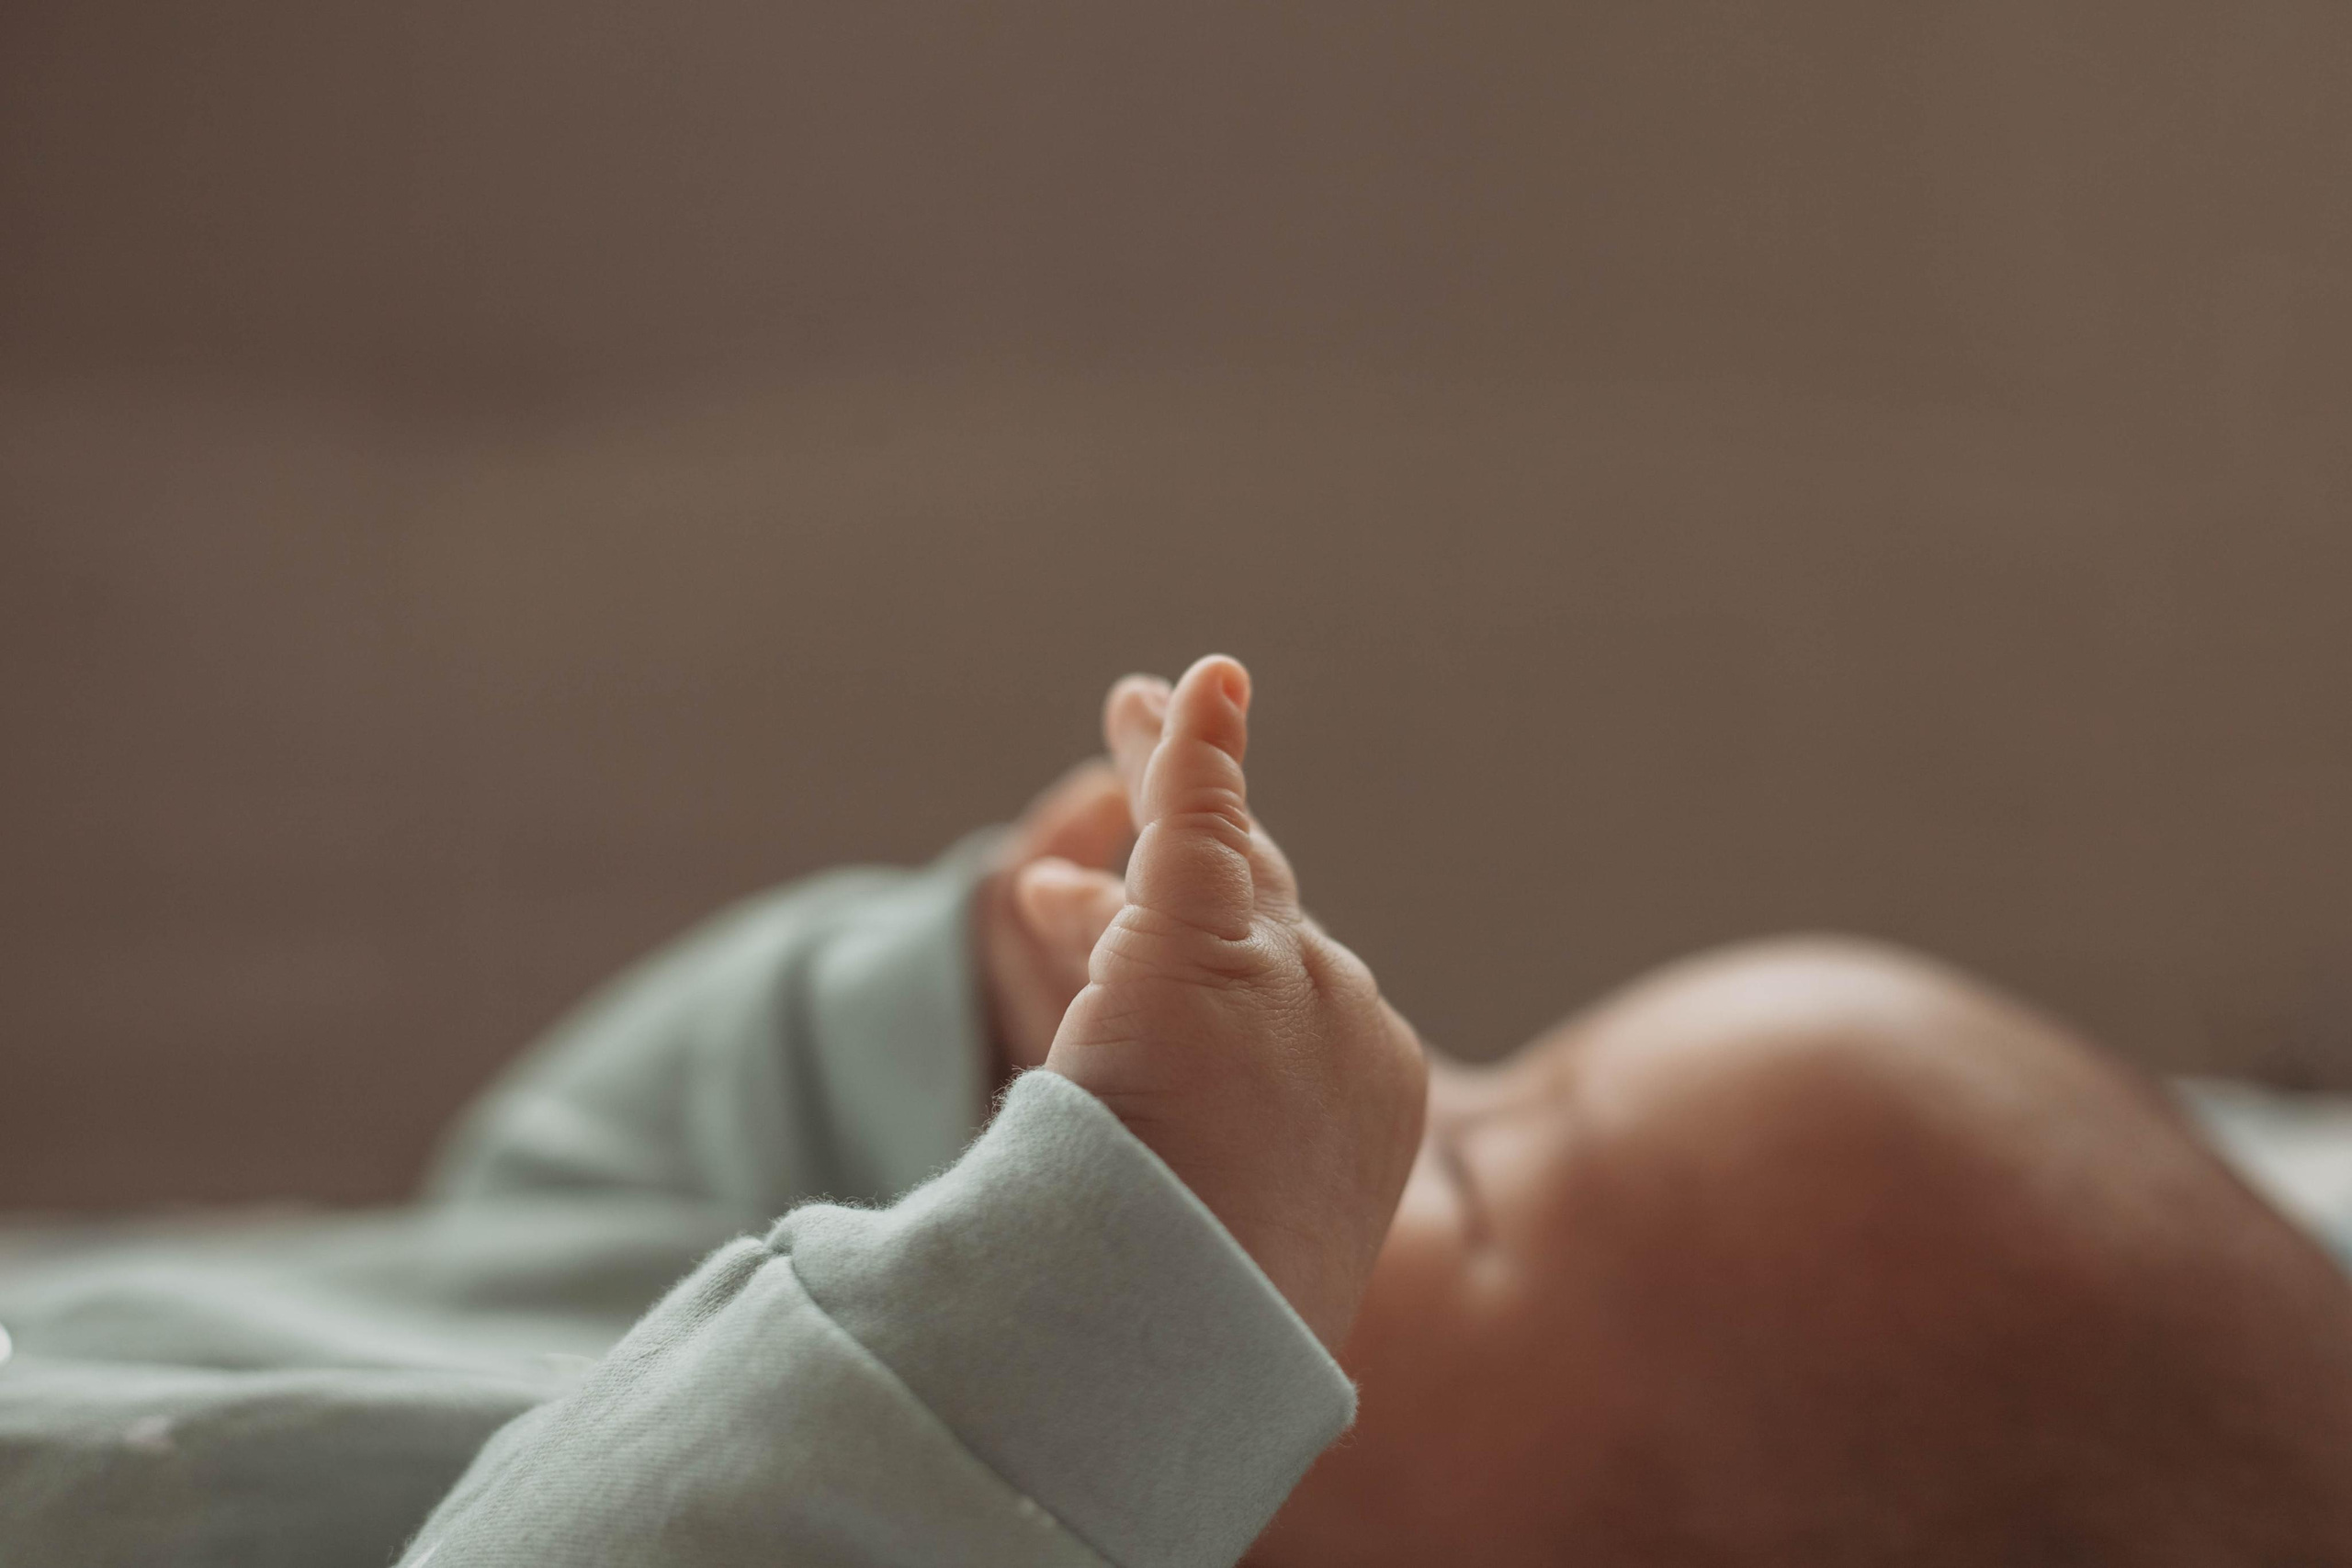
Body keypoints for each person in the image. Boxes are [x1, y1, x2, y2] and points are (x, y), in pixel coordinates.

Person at [2, 658, 2348, 1565]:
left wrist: (1073, 1336)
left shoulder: (970, 1459)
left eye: (1494, 1167)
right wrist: (930, 1018)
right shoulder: (876, 1274)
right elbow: (539, 1194)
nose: (1411, 1079)